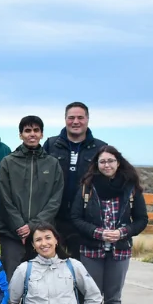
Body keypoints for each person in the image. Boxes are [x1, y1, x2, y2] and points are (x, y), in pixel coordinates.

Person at [71, 146, 148, 304]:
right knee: (92, 295)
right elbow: (76, 218)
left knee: (113, 297)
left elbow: (141, 220)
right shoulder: (87, 187)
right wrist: (97, 232)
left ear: (118, 162)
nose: (107, 165)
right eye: (103, 161)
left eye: (111, 161)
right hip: (92, 248)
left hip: (120, 250)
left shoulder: (131, 188)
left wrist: (124, 232)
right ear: (97, 165)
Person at [0, 115, 63, 280]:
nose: (32, 134)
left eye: (36, 130)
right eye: (27, 131)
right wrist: (20, 226)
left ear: (41, 134)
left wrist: (34, 226)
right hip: (12, 234)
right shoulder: (8, 162)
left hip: (42, 235)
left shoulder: (52, 163)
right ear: (21, 135)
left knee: (41, 282)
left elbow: (55, 199)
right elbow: (4, 198)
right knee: (11, 281)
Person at [44, 102, 108, 260]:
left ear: (87, 119)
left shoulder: (100, 148)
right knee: (51, 263)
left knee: (79, 268)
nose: (75, 122)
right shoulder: (51, 145)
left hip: (84, 220)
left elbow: (106, 183)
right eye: (71, 117)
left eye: (80, 117)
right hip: (54, 217)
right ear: (65, 119)